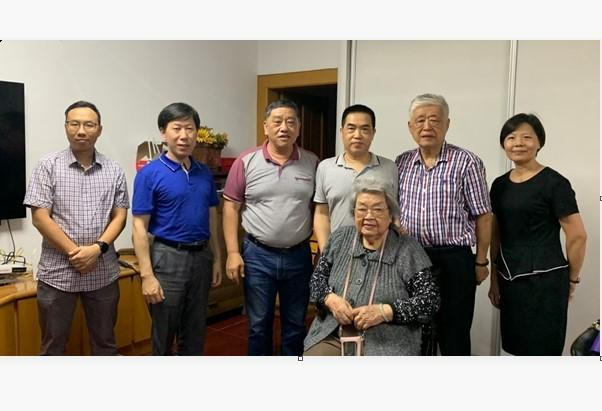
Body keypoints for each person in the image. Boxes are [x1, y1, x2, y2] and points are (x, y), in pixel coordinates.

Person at [23, 100, 129, 355]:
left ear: (99, 130)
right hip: (58, 274)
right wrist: (77, 253)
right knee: (53, 347)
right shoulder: (48, 165)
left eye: (89, 124)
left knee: (105, 344)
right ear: (66, 127)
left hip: (103, 272)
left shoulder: (113, 169)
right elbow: (40, 217)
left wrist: (97, 249)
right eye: (75, 124)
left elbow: (120, 215)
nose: (81, 130)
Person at [395, 93, 492, 355]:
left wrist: (481, 261)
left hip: (455, 260)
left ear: (447, 124)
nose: (427, 127)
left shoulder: (467, 162)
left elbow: (484, 215)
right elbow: (393, 209)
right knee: (413, 330)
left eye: (435, 120)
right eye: (420, 120)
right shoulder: (401, 163)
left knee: (454, 332)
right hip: (412, 257)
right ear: (410, 127)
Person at [223, 99, 319, 356]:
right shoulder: (246, 161)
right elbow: (230, 208)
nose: (284, 127)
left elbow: (319, 210)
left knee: (296, 324)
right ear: (266, 127)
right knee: (258, 325)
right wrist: (233, 253)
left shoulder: (312, 163)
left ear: (298, 128)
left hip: (299, 256)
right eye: (277, 122)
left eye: (291, 121)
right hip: (257, 255)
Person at [303, 176, 439, 356]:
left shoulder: (407, 248)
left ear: (391, 214)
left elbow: (430, 301)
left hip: (389, 340)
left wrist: (385, 312)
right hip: (333, 334)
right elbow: (317, 280)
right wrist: (330, 299)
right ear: (354, 212)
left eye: (377, 209)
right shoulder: (340, 238)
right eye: (362, 209)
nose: (368, 216)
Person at [488, 113, 587, 355]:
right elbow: (495, 233)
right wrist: (494, 278)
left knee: (543, 350)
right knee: (514, 347)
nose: (518, 143)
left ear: (539, 142)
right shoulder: (499, 185)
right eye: (511, 137)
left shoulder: (554, 183)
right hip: (509, 278)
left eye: (526, 137)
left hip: (546, 280)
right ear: (503, 144)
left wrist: (572, 279)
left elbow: (578, 235)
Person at [132, 102, 222, 356]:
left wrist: (217, 258)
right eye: (177, 128)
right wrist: (147, 275)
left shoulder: (204, 172)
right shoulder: (150, 173)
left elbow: (211, 215)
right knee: (165, 330)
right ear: (163, 133)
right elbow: (139, 226)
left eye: (190, 129)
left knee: (195, 331)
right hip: (167, 257)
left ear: (197, 133)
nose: (184, 135)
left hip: (201, 257)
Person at [313, 104, 398, 252]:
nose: (357, 135)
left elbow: (394, 213)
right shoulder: (325, 167)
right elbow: (322, 213)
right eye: (351, 128)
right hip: (338, 250)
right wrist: (326, 251)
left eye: (365, 129)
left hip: (379, 252)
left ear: (373, 133)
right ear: (342, 132)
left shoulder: (389, 168)